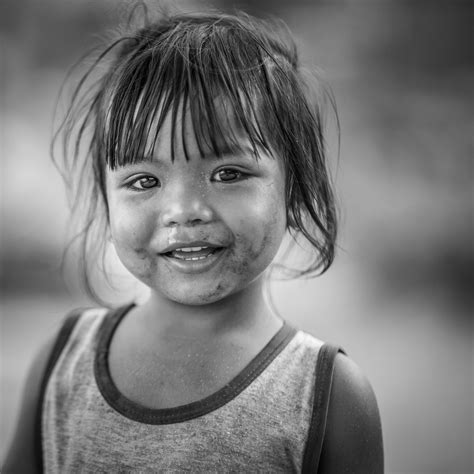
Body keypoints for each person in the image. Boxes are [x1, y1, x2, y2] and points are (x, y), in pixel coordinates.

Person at [4, 7, 383, 473]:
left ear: (296, 186)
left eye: (227, 173)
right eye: (144, 181)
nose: (184, 211)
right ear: (106, 198)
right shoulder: (62, 364)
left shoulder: (329, 396)